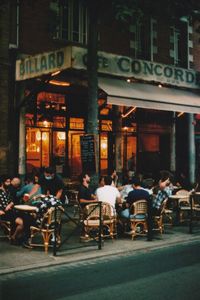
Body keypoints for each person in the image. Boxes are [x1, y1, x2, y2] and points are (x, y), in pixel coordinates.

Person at [0, 176, 24, 244]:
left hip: (10, 211)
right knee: (21, 222)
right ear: (2, 183)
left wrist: (10, 205)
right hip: (3, 213)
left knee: (24, 219)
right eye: (7, 182)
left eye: (9, 182)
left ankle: (14, 236)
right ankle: (14, 236)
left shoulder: (8, 191)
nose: (9, 183)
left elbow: (12, 200)